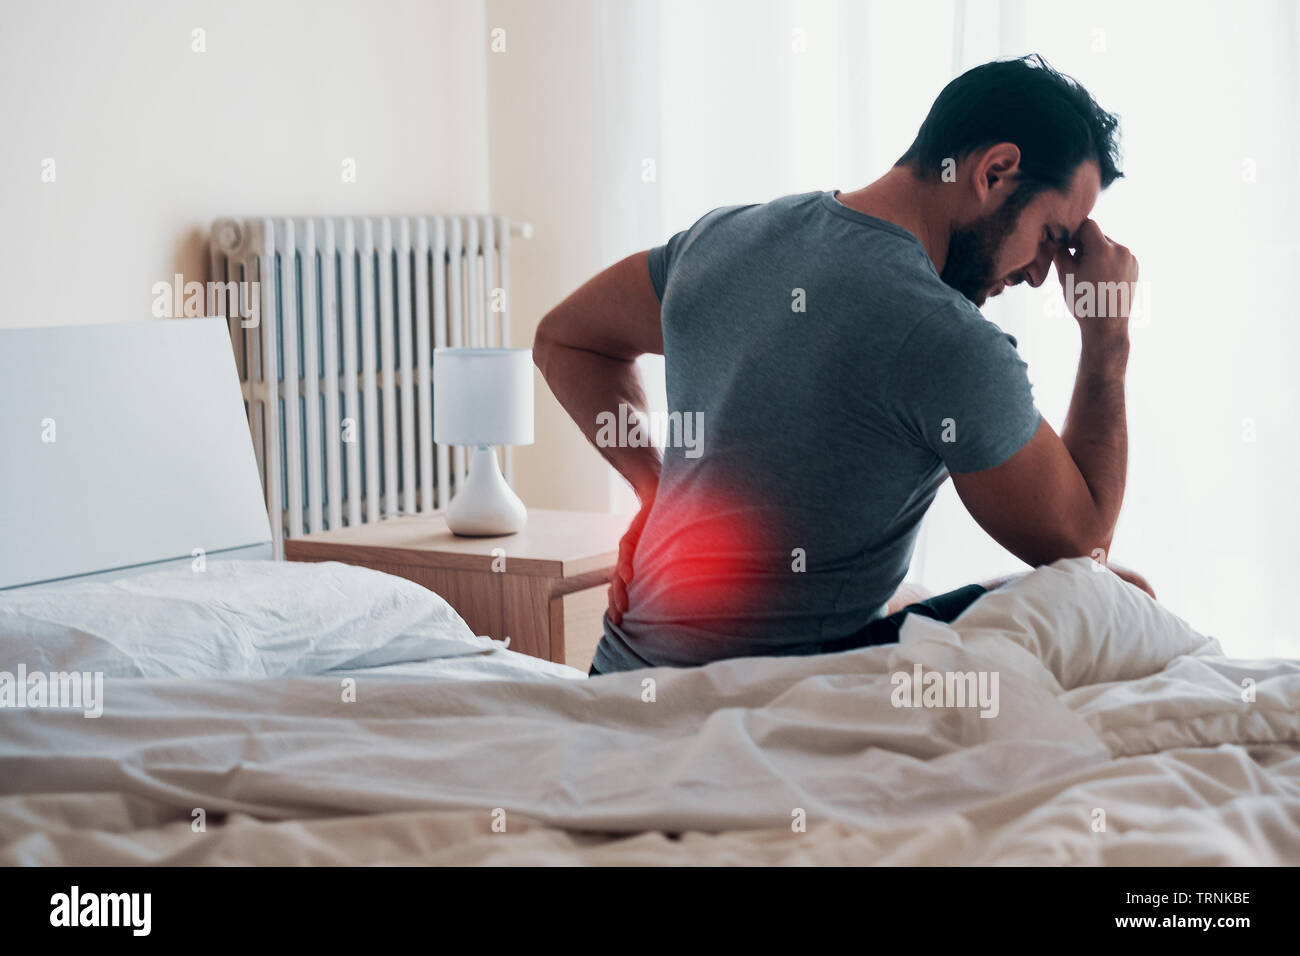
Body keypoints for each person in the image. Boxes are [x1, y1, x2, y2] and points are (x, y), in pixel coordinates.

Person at [533, 55, 1154, 676]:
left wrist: (652, 488)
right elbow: (1085, 549)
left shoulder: (722, 238)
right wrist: (1107, 338)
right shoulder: (948, 339)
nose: (1043, 274)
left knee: (909, 595)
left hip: (621, 674)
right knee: (1121, 594)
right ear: (994, 172)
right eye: (1050, 236)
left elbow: (565, 340)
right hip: (761, 693)